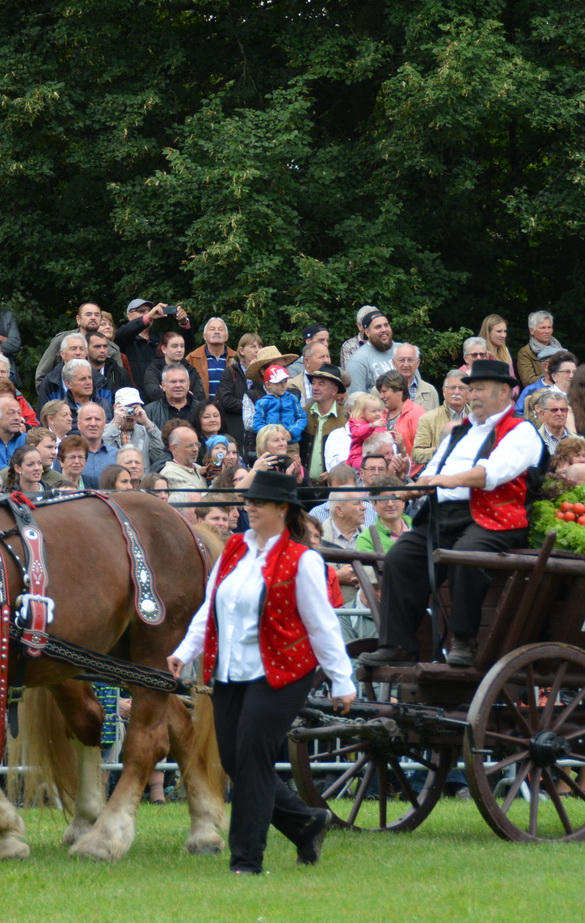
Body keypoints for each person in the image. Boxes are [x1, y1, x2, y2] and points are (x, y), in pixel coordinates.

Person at [167, 470, 353, 876]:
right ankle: (306, 822)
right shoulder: (234, 548)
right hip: (230, 672)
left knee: (251, 761)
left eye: (259, 502)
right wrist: (185, 651)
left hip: (282, 673)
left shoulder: (303, 560)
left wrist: (342, 680)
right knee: (236, 761)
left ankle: (246, 862)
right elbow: (210, 606)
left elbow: (322, 625)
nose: (249, 507)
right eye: (248, 501)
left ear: (283, 509)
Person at [360, 359, 544, 669]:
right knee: (399, 558)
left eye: (480, 389)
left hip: (495, 517)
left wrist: (450, 480)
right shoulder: (460, 431)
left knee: (465, 556)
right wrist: (414, 487)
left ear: (504, 393)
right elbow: (433, 470)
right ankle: (398, 645)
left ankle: (464, 640)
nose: (472, 395)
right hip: (442, 515)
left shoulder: (521, 430)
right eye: (470, 389)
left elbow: (493, 473)